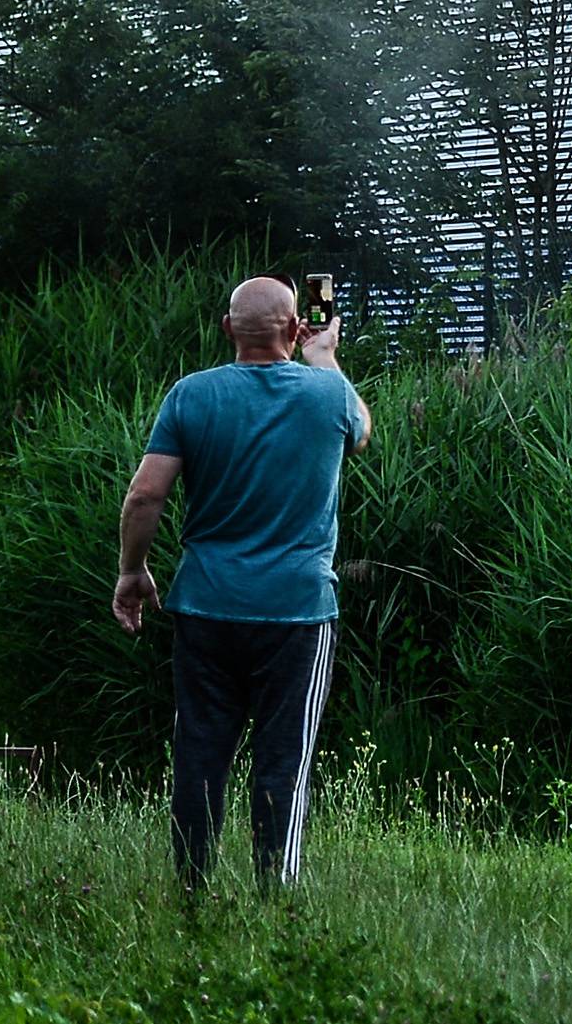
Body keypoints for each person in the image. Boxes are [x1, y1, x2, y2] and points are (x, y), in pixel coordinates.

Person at [113, 273, 371, 889]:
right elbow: (362, 432)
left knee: (199, 753)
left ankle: (191, 890)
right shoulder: (328, 395)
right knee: (284, 760)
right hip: (298, 614)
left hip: (205, 606)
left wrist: (131, 571)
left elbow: (146, 496)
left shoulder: (190, 395)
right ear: (293, 328)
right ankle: (273, 898)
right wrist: (325, 358)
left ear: (227, 328)